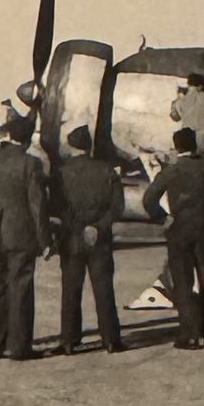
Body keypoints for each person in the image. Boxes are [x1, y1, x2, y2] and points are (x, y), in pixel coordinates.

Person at [0, 116, 52, 360]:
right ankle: (19, 347)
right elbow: (37, 205)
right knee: (20, 289)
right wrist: (45, 240)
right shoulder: (30, 164)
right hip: (20, 235)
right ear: (27, 140)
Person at [141, 128, 204, 350]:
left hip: (179, 230)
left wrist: (164, 218)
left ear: (176, 147)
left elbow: (149, 199)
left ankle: (190, 334)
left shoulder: (171, 171)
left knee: (183, 283)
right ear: (195, 145)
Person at [51, 126, 126, 355]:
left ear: (71, 146)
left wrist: (74, 229)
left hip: (71, 239)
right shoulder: (107, 171)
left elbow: (56, 208)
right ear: (88, 146)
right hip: (99, 240)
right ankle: (111, 339)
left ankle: (69, 340)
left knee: (71, 289)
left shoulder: (60, 174)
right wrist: (97, 227)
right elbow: (118, 207)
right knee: (104, 289)